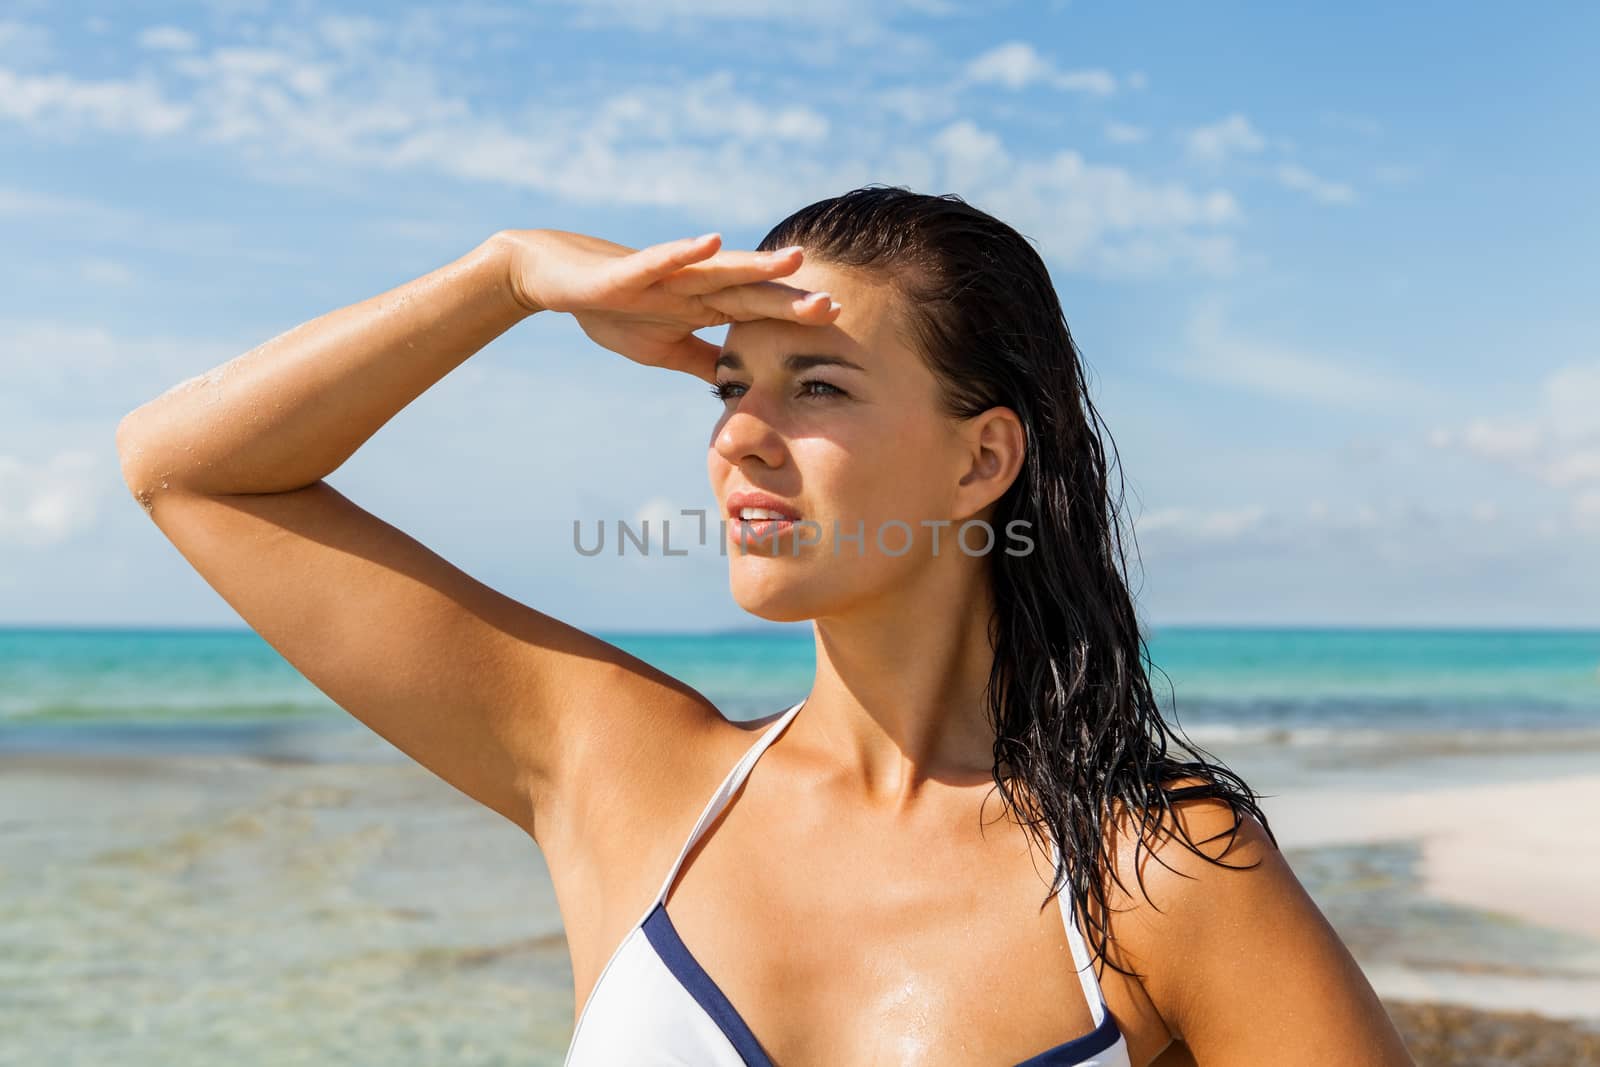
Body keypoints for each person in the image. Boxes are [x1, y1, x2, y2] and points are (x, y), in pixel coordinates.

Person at [116, 185, 1416, 1066]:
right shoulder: (625, 777)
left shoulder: (1161, 876)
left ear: (982, 463)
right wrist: (508, 276)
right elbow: (190, 468)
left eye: (819, 385)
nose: (740, 431)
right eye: (731, 384)